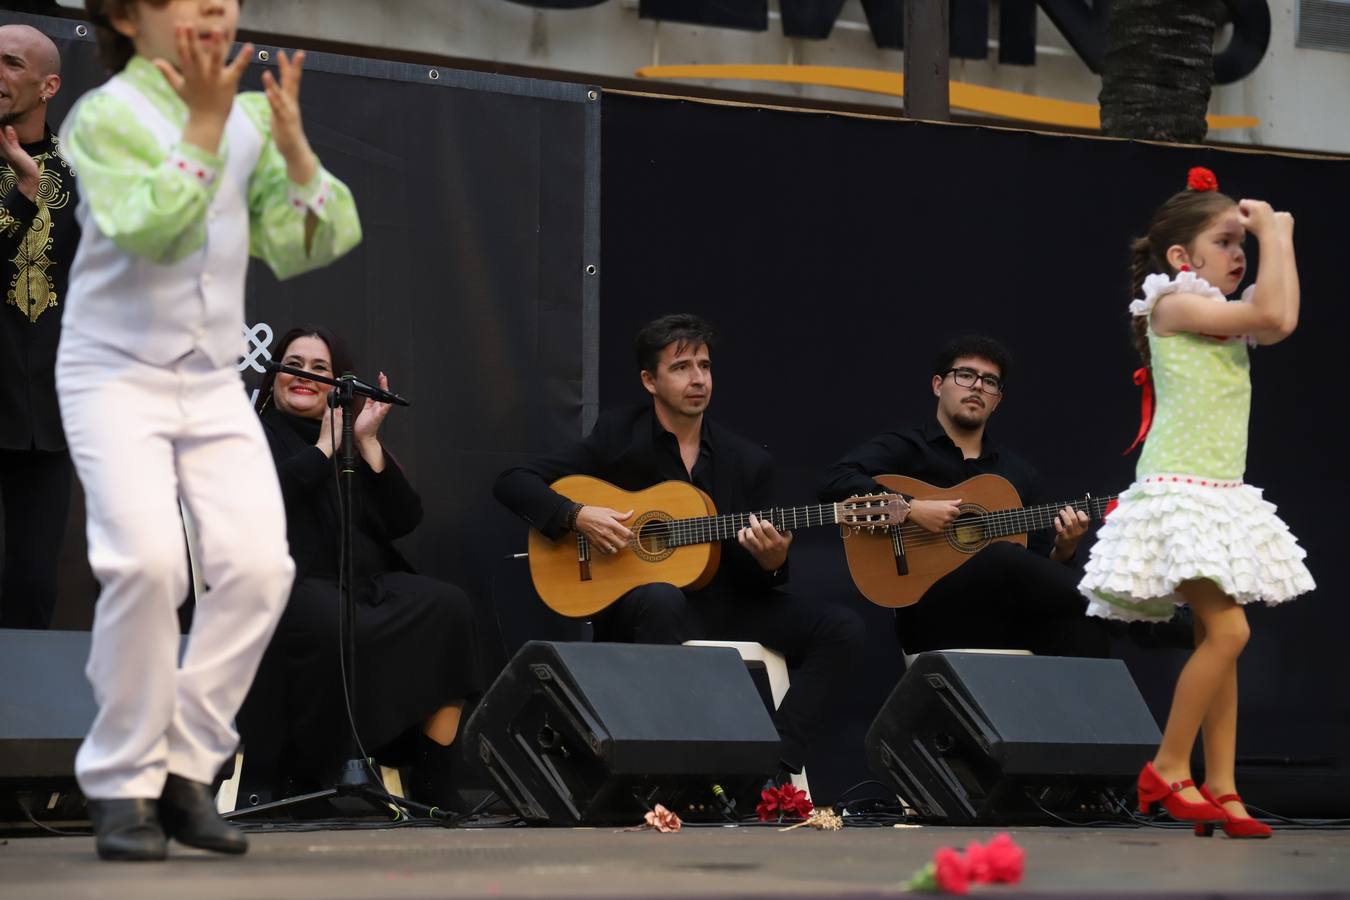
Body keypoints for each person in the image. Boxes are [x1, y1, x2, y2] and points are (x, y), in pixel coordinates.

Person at [60, 0, 361, 861]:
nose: (218, 8)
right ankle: (121, 783)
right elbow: (148, 230)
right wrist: (201, 127)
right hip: (113, 373)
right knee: (148, 564)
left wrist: (295, 147)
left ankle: (186, 769)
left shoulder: (252, 116)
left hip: (209, 380)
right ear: (125, 13)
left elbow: (308, 241)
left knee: (262, 569)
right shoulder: (104, 115)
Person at [494, 313, 865, 783]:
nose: (698, 380)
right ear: (650, 380)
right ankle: (661, 768)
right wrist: (577, 516)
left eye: (705, 366)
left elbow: (756, 576)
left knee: (842, 629)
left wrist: (772, 563)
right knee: (661, 597)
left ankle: (773, 760)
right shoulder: (617, 437)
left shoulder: (747, 461)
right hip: (640, 604)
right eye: (682, 367)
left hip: (725, 604)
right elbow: (513, 483)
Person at [1079, 167, 1313, 838]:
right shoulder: (1173, 305)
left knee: (1221, 638)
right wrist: (1273, 233)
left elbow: (1283, 317)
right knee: (1231, 632)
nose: (1240, 254)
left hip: (1219, 495)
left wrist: (1279, 239)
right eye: (1227, 241)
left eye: (1244, 244)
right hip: (1177, 496)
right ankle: (1169, 767)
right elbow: (1272, 312)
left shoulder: (1225, 316)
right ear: (1183, 258)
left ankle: (1224, 787)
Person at [242, 325, 480, 811]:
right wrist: (322, 450)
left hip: (362, 584)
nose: (305, 376)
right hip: (286, 584)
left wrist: (367, 443)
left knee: (447, 606)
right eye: (295, 365)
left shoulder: (349, 439)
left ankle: (433, 773)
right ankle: (311, 775)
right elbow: (261, 502)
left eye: (320, 369)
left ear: (337, 384)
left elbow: (403, 519)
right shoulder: (250, 433)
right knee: (334, 623)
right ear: (274, 377)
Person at [818, 335, 1137, 659]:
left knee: (1081, 627)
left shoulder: (1018, 473)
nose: (977, 387)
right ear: (938, 384)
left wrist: (1063, 552)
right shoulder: (906, 448)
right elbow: (834, 480)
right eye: (966, 375)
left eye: (990, 382)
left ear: (997, 399)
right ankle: (1131, 615)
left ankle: (1101, 654)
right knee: (1002, 554)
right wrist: (910, 507)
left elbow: (1036, 570)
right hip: (932, 618)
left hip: (1006, 619)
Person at [0, 24, 78, 629]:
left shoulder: (82, 177)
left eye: (9, 63)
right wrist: (23, 195)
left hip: (49, 422)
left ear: (47, 84)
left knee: (32, 587)